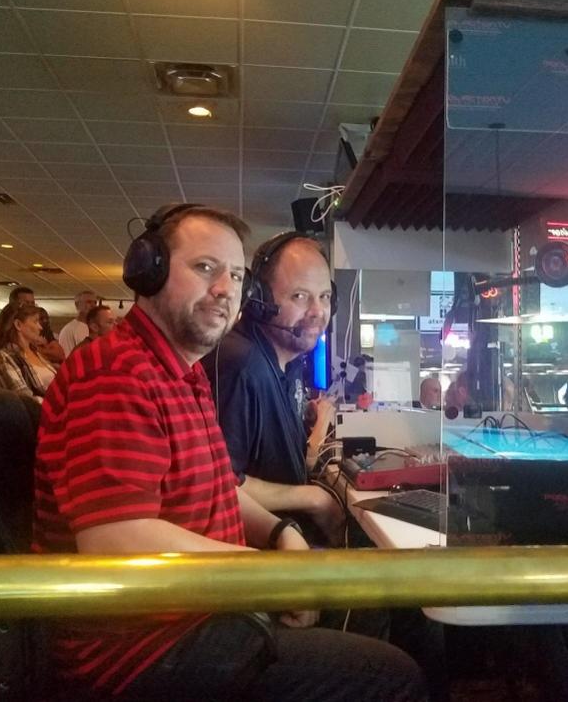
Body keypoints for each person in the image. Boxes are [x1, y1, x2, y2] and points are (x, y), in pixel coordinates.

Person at [33, 204, 426, 701]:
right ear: (149, 272)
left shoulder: (184, 374)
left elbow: (221, 486)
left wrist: (281, 534)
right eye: (205, 268)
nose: (224, 288)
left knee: (378, 603)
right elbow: (115, 540)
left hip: (203, 610)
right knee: (392, 676)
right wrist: (269, 575)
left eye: (237, 276)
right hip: (143, 652)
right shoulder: (117, 373)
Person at [204, 234, 342, 544]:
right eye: (300, 296)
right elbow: (220, 485)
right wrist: (313, 498)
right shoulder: (242, 366)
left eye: (324, 296)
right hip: (257, 554)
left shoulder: (289, 362)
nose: (318, 311)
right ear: (260, 300)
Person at [0, 302, 57, 401]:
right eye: (35, 322)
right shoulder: (4, 357)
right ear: (18, 325)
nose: (40, 327)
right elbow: (25, 398)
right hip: (41, 408)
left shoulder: (35, 353)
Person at [10, 285, 65, 364]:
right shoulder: (8, 328)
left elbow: (59, 354)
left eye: (32, 303)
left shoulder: (42, 327)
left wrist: (35, 350)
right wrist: (38, 349)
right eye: (26, 303)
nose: (30, 306)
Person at [57, 290, 97, 354]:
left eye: (95, 302)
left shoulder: (92, 328)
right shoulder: (72, 329)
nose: (93, 305)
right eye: (89, 302)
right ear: (77, 305)